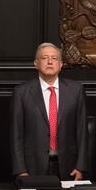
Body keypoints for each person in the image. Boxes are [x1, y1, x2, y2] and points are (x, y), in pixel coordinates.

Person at [10, 42, 88, 180]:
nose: (50, 62)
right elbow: (16, 134)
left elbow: (82, 131)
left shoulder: (75, 90)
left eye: (55, 58)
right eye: (45, 58)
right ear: (36, 63)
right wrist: (20, 170)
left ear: (61, 64)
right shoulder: (22, 92)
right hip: (32, 166)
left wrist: (80, 167)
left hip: (69, 166)